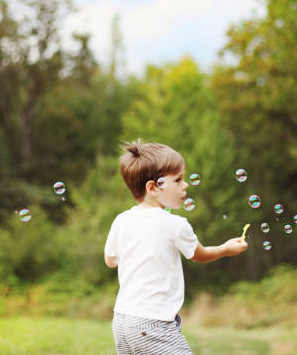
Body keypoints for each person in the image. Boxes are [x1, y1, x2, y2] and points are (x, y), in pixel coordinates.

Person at [104, 139, 248, 354]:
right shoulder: (175, 224)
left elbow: (110, 261)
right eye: (178, 180)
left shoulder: (122, 219)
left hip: (122, 322)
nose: (185, 185)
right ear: (153, 187)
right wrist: (226, 248)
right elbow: (200, 255)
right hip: (153, 324)